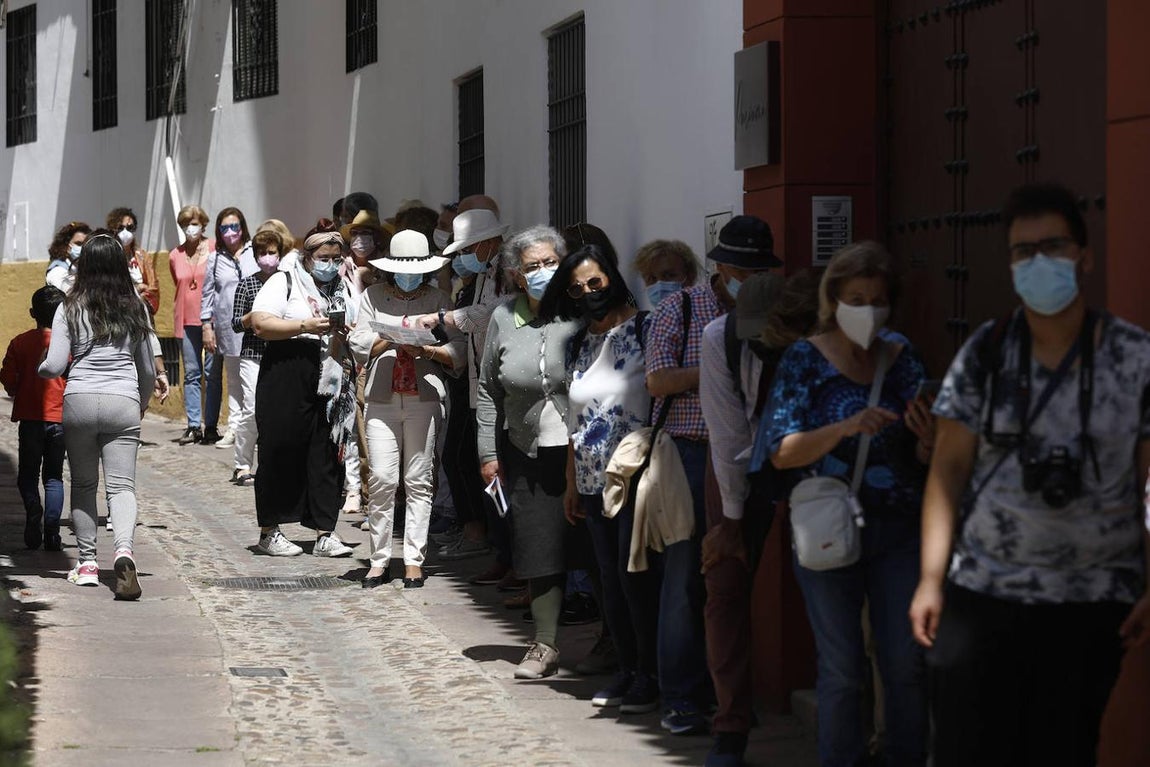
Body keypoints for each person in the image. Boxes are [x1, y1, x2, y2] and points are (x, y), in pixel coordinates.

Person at [910, 183, 1150, 766]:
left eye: (1053, 247)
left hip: (1091, 603)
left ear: (1084, 257)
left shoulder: (1134, 357)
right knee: (968, 750)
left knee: (1062, 750)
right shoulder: (987, 353)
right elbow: (948, 469)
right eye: (1023, 251)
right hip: (984, 594)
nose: (1038, 262)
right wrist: (930, 578)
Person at [763, 241, 931, 766]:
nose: (868, 310)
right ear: (833, 299)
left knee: (904, 661)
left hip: (897, 525)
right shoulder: (803, 359)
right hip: (828, 525)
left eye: (878, 300)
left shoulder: (901, 356)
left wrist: (927, 441)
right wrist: (845, 427)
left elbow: (922, 450)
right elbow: (782, 452)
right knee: (841, 667)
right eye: (856, 298)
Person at [643, 215, 779, 735]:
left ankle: (730, 695)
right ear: (720, 266)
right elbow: (658, 380)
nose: (748, 276)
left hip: (753, 455)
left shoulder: (770, 309)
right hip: (691, 454)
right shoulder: (683, 305)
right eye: (740, 267)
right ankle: (681, 696)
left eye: (757, 268)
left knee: (734, 578)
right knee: (685, 577)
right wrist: (719, 364)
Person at [699, 270, 820, 767]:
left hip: (813, 465)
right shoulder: (720, 338)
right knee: (724, 588)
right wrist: (731, 522)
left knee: (828, 583)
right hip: (742, 464)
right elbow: (727, 434)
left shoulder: (817, 343)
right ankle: (731, 722)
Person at [540, 243, 659, 710]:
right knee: (609, 583)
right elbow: (575, 421)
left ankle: (650, 675)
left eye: (595, 282)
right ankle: (627, 670)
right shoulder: (578, 343)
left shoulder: (646, 329)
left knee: (639, 582)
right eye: (577, 289)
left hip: (635, 479)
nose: (588, 293)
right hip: (591, 484)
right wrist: (571, 483)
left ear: (611, 277)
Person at [476, 225, 579, 678]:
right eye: (531, 267)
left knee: (595, 549)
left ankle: (615, 643)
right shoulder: (503, 317)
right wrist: (486, 453)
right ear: (517, 276)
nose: (541, 273)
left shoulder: (581, 313)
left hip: (584, 452)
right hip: (525, 449)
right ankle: (544, 644)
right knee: (539, 546)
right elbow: (487, 391)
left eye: (549, 263)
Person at [38, 232, 162, 600]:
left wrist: (40, 368)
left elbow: (56, 364)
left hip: (79, 399)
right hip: (122, 400)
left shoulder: (69, 307)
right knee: (122, 487)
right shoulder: (135, 306)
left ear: (85, 265)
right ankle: (124, 551)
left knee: (84, 484)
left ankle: (88, 564)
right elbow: (148, 371)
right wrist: (138, 403)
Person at [348, 230, 464, 588]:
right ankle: (379, 558)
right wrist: (388, 338)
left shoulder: (439, 298)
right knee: (382, 478)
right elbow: (358, 340)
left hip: (424, 395)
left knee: (418, 479)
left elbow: (458, 351)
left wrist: (426, 350)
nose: (408, 276)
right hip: (382, 396)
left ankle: (414, 559)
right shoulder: (373, 296)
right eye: (402, 269)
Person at [249, 219, 356, 558]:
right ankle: (270, 529)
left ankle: (326, 530)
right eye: (324, 257)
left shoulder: (342, 286)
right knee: (279, 448)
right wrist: (303, 326)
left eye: (337, 257)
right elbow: (261, 322)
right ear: (308, 257)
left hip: (330, 370)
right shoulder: (285, 280)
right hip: (288, 367)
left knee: (327, 452)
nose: (331, 263)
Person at [413, 207, 514, 563]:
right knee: (468, 459)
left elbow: (491, 313)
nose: (462, 258)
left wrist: (444, 318)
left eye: (467, 250)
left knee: (485, 464)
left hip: (496, 385)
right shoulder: (487, 271)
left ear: (486, 243)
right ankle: (495, 543)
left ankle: (500, 545)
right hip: (476, 382)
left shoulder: (506, 271)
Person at [1, 285, 67, 551]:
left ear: (32, 313)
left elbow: (7, 377)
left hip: (30, 419)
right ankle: (52, 530)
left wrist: (15, 389)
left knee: (27, 474)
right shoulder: (68, 344)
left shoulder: (20, 342)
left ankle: (32, 510)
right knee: (54, 476)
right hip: (60, 419)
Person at [338, 210, 389, 514]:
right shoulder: (340, 270)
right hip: (345, 354)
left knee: (374, 426)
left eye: (366, 234)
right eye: (355, 234)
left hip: (377, 352)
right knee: (351, 426)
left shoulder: (384, 272)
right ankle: (354, 487)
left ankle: (378, 493)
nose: (360, 240)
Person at [228, 226, 286, 486]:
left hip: (280, 353)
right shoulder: (247, 284)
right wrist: (251, 318)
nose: (267, 257)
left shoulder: (288, 282)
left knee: (276, 411)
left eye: (271, 252)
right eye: (261, 252)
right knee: (251, 409)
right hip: (253, 353)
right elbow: (235, 324)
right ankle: (242, 464)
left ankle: (272, 464)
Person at [201, 206, 255, 449]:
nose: (231, 232)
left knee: (253, 378)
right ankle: (234, 426)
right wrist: (206, 326)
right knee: (233, 380)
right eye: (225, 228)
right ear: (219, 231)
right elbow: (208, 294)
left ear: (242, 227)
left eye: (235, 226)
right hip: (227, 326)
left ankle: (254, 427)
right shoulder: (215, 259)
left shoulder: (256, 252)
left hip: (255, 325)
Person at [169, 204, 214, 445]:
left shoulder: (214, 248)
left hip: (210, 320)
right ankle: (193, 424)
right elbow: (178, 282)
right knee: (192, 373)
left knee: (211, 372)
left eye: (194, 222)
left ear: (203, 224)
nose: (190, 227)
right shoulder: (175, 254)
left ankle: (211, 424)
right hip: (184, 320)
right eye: (186, 223)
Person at [107, 207, 160, 315]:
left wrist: (141, 297)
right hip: (117, 314)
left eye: (130, 228)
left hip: (141, 312)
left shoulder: (142, 256)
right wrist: (138, 288)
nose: (125, 232)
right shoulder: (107, 256)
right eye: (120, 228)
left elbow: (153, 286)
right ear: (112, 229)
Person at [634, 239, 700, 309]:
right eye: (652, 278)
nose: (659, 285)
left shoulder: (707, 315)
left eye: (669, 275)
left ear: (690, 276)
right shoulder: (646, 319)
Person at [45, 221, 92, 293]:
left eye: (86, 243)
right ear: (67, 245)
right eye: (78, 243)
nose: (83, 248)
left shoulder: (82, 267)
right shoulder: (58, 271)